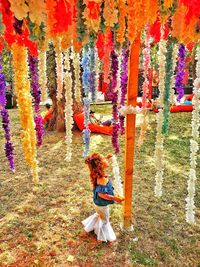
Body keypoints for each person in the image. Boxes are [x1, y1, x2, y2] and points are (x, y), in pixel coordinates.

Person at [82, 153, 124, 242]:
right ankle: (101, 238)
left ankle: (89, 227)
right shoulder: (101, 179)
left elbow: (99, 163)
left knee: (99, 215)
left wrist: (106, 158)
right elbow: (102, 194)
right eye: (103, 159)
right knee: (105, 221)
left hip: (97, 203)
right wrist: (115, 198)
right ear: (100, 165)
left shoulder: (96, 171)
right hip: (102, 205)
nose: (105, 159)